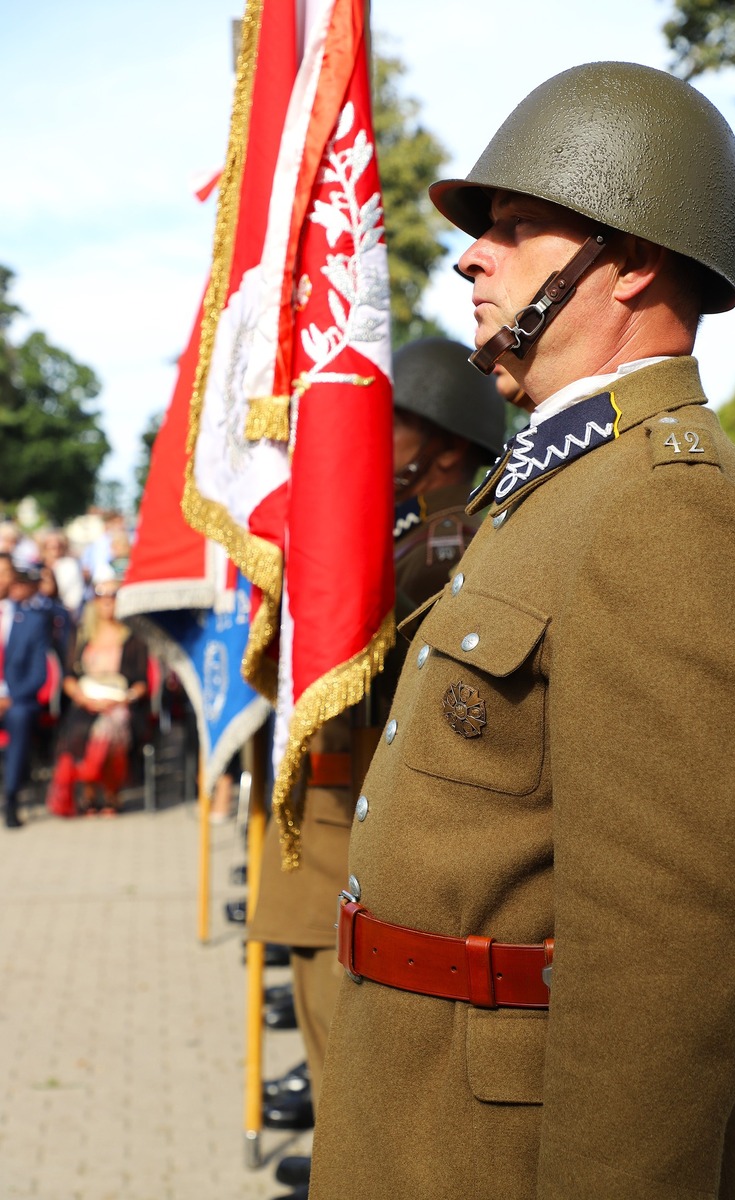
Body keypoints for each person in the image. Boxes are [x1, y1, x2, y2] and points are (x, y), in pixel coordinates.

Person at [309, 62, 735, 1200]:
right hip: (427, 1102)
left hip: (508, 1142)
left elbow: (664, 958)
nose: (471, 254)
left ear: (627, 262)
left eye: (516, 226)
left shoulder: (660, 503)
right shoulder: (553, 480)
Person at [249, 337, 506, 1195]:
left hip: (372, 805)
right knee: (324, 1009)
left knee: (349, 1016)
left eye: (389, 420)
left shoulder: (445, 537)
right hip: (335, 797)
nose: (367, 431)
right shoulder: (393, 524)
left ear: (439, 438)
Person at [47, 568, 148, 817]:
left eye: (114, 595)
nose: (108, 601)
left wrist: (121, 700)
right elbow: (69, 676)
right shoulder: (82, 635)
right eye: (102, 595)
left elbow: (141, 682)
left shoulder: (133, 637)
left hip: (120, 705)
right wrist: (84, 699)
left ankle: (112, 793)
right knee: (80, 732)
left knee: (111, 731)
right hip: (86, 703)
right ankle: (89, 792)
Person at [0, 554, 51, 828]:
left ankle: (11, 798)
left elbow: (38, 673)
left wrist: (9, 698)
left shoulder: (32, 620)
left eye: (4, 572)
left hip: (16, 700)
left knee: (19, 719)